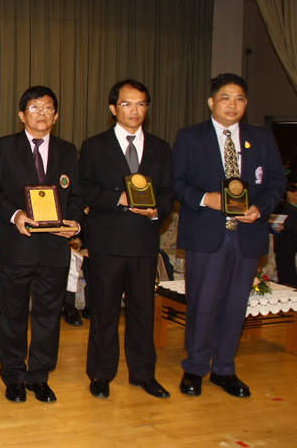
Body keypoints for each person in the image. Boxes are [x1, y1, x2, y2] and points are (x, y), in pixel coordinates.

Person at [173, 73, 285, 398]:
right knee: (203, 305)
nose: (232, 104)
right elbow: (176, 183)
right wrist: (205, 198)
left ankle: (224, 369)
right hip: (206, 235)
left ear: (245, 103)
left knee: (236, 306)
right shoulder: (190, 137)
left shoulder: (260, 138)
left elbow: (276, 181)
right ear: (211, 102)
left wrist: (261, 208)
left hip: (247, 235)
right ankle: (195, 368)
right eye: (225, 98)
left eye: (239, 98)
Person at [78, 79, 175, 399]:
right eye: (127, 104)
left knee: (142, 313)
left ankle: (143, 374)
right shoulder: (94, 146)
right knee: (103, 312)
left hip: (144, 242)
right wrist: (118, 198)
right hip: (107, 243)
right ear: (113, 108)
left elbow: (167, 192)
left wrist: (157, 211)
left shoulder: (161, 147)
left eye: (141, 104)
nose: (135, 110)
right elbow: (84, 189)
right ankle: (101, 374)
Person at [0, 85, 84, 404]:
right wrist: (15, 214)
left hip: (55, 250)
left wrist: (74, 223)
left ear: (56, 116)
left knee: (47, 317)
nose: (41, 114)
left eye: (47, 109)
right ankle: (14, 376)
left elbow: (77, 195)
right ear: (21, 114)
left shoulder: (68, 151)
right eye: (34, 108)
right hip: (18, 246)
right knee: (12, 316)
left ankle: (39, 376)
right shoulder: (4, 147)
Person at [273, 174, 297, 287]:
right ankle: (290, 284)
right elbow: (278, 225)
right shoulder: (281, 207)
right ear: (290, 193)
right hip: (287, 240)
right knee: (286, 247)